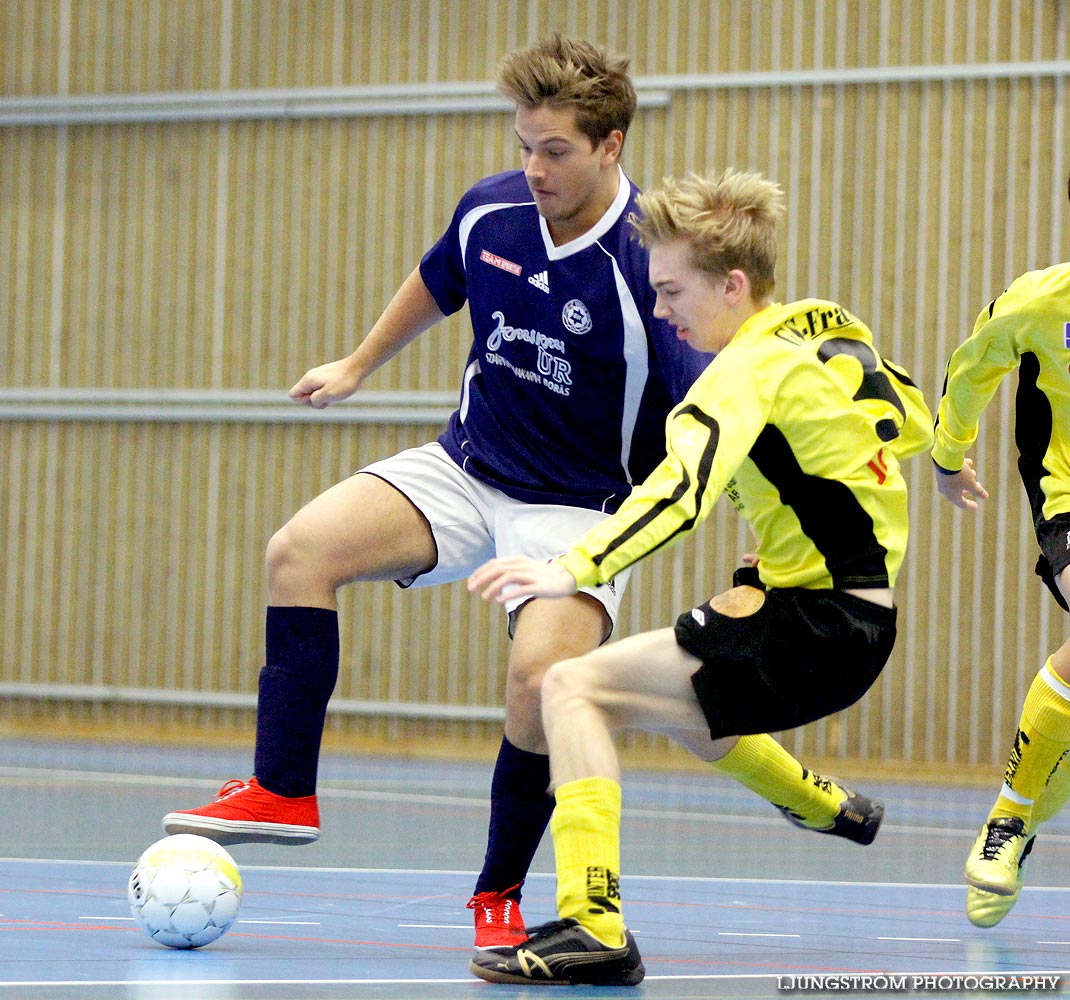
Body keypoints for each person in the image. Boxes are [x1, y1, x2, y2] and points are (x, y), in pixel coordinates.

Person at [161, 36, 883, 951]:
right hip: (467, 466)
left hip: (581, 507)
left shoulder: (649, 273)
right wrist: (354, 365)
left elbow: (720, 423)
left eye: (556, 150)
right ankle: (283, 788)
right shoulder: (492, 212)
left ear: (611, 145)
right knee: (297, 551)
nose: (533, 167)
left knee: (545, 683)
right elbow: (437, 281)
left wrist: (754, 555)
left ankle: (497, 893)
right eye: (524, 145)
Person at [467, 168, 933, 985]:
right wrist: (942, 472)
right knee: (686, 706)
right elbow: (911, 419)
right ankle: (825, 806)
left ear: (733, 285)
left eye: (672, 290)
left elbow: (678, 495)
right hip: (856, 616)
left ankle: (594, 923)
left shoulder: (736, 377)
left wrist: (568, 570)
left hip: (813, 628)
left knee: (570, 688)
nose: (660, 311)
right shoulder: (827, 329)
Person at [932, 173, 1070, 929]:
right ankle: (1011, 817)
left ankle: (1025, 816)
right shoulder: (1042, 301)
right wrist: (949, 455)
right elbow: (974, 362)